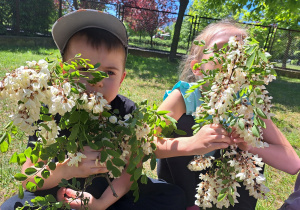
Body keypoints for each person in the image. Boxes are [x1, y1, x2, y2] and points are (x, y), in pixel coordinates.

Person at [0, 9, 187, 210]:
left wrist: (100, 204)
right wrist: (65, 170)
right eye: (83, 69)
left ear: (122, 79)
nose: (96, 82)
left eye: (108, 72)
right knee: (13, 207)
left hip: (110, 195)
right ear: (64, 73)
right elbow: (28, 179)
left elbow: (130, 173)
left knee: (173, 197)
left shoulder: (127, 112)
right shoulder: (51, 110)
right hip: (60, 192)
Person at [156, 19, 300, 210]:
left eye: (243, 53)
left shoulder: (249, 104)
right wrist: (192, 144)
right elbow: (143, 143)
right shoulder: (184, 97)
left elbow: (292, 163)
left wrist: (248, 143)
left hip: (230, 197)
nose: (234, 57)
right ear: (198, 68)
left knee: (249, 137)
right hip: (182, 190)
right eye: (223, 50)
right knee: (184, 125)